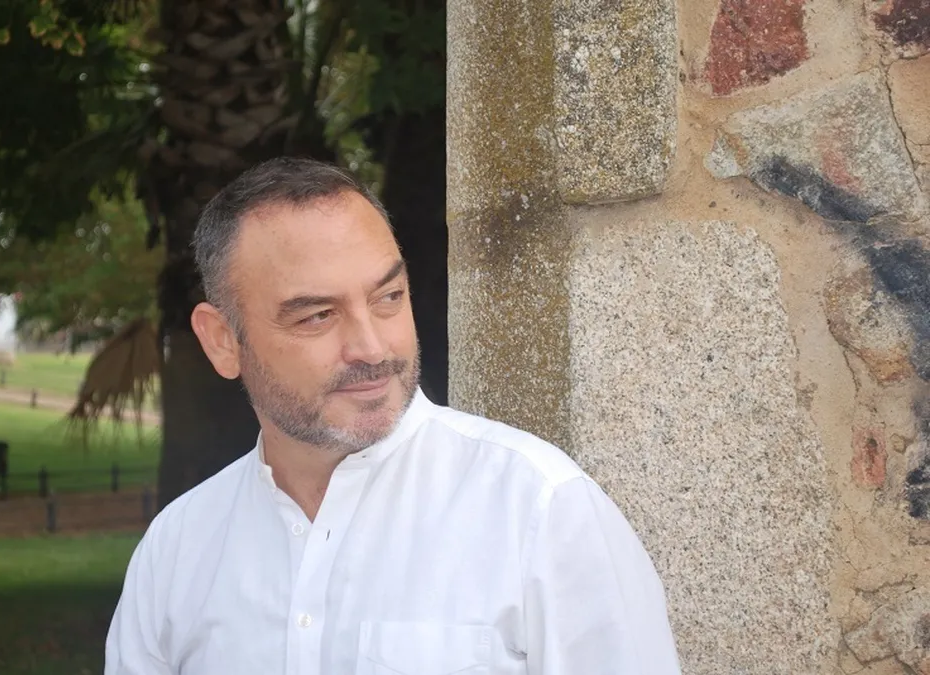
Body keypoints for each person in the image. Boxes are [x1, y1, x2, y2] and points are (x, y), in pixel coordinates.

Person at [105, 158, 682, 674]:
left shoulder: (541, 511)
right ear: (222, 341)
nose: (372, 347)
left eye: (388, 298)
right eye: (317, 316)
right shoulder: (177, 549)